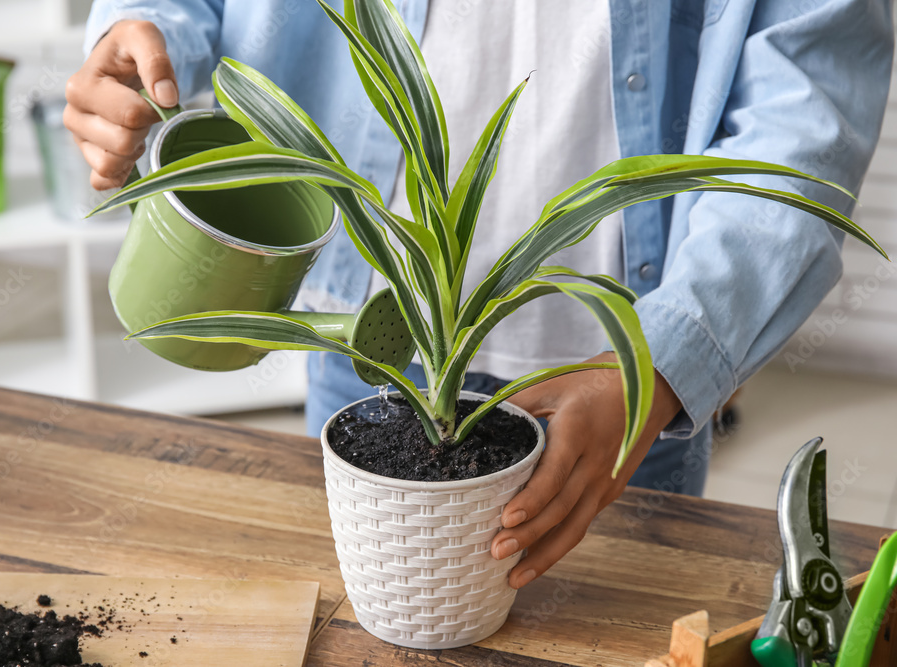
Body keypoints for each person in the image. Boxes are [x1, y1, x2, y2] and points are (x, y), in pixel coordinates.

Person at [65, 0, 894, 589]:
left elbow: (804, 115)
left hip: (622, 382)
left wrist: (664, 363)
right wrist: (145, 24)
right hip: (371, 342)